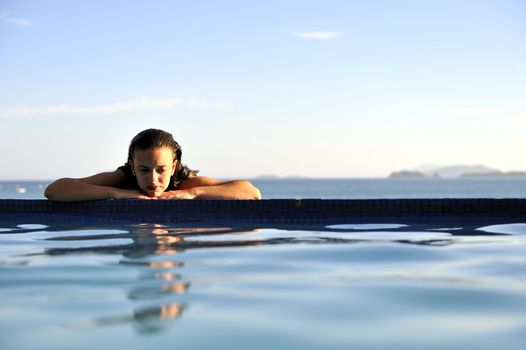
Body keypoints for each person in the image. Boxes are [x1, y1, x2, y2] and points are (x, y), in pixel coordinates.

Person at [44, 128, 261, 201]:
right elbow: (54, 190)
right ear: (132, 167)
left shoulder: (183, 184)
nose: (153, 179)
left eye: (161, 170)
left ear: (174, 167)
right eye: (144, 170)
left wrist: (192, 194)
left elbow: (251, 192)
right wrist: (115, 193)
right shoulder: (123, 180)